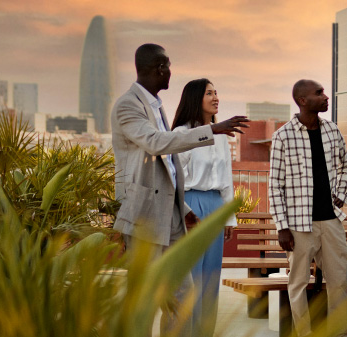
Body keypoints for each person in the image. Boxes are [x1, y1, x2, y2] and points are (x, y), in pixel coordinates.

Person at [111, 43, 249, 336]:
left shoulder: (155, 107)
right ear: (159, 68)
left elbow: (169, 170)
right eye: (168, 65)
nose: (171, 71)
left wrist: (183, 209)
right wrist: (211, 129)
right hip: (145, 217)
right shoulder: (128, 105)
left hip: (173, 215)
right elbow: (155, 143)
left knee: (184, 296)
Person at [268, 79, 347, 337]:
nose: (325, 97)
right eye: (319, 93)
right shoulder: (282, 136)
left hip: (331, 222)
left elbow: (345, 167)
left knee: (339, 281)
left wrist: (340, 194)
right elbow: (275, 185)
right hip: (299, 225)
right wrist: (282, 227)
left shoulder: (332, 131)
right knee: (298, 284)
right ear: (303, 100)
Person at [171, 78, 239, 336]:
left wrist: (229, 218)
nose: (215, 97)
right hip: (190, 205)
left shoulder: (221, 136)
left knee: (211, 276)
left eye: (216, 92)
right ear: (195, 98)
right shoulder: (181, 133)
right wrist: (185, 211)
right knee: (190, 276)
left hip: (214, 205)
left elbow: (227, 181)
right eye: (209, 93)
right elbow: (175, 180)